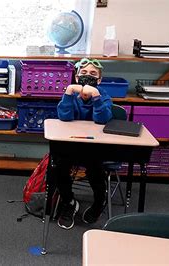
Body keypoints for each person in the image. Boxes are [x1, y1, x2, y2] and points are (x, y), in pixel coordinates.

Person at [55, 58, 113, 229]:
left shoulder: (103, 96)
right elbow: (64, 117)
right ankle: (69, 201)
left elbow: (102, 119)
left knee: (95, 169)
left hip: (95, 147)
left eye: (93, 74)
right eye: (84, 73)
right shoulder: (71, 95)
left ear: (99, 80)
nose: (88, 76)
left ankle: (98, 203)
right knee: (58, 166)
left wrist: (96, 96)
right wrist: (67, 92)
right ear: (77, 77)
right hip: (72, 144)